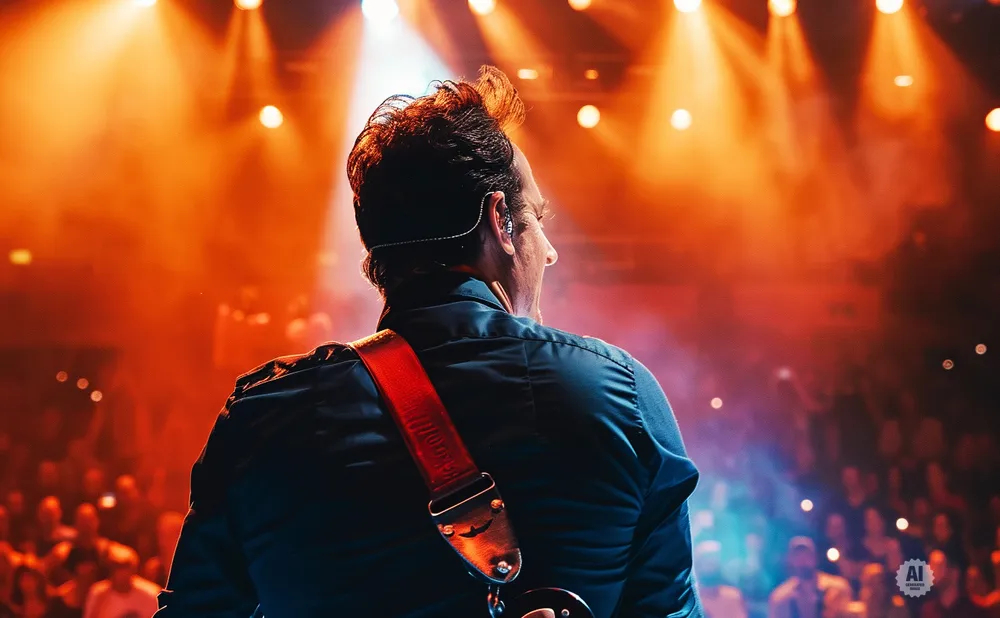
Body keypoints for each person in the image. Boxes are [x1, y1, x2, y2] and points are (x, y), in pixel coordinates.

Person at [157, 66, 703, 618]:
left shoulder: (263, 417)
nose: (551, 251)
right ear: (500, 223)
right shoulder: (619, 396)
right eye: (536, 218)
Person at [769, 537, 852, 618]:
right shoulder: (780, 597)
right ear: (790, 560)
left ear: (815, 557)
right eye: (797, 556)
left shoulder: (838, 588)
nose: (802, 560)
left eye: (806, 555)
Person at [83, 545, 159, 618]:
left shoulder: (151, 594)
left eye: (125, 566)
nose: (121, 572)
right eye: (117, 566)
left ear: (134, 569)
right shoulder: (98, 594)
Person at [694, 541, 746, 618]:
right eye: (706, 558)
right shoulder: (690, 598)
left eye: (715, 557)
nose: (711, 561)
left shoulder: (732, 596)